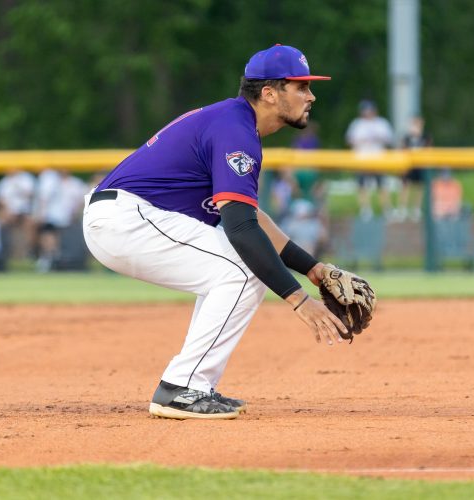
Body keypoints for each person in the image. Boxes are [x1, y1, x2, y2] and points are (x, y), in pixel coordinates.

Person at [83, 44, 352, 420]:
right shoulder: (235, 130)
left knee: (235, 271)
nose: (311, 96)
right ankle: (180, 388)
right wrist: (299, 300)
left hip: (130, 217)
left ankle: (191, 385)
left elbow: (250, 217)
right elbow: (240, 229)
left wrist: (313, 269)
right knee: (242, 271)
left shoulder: (236, 123)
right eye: (301, 87)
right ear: (270, 93)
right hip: (126, 219)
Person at [345, 99, 395, 220]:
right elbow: (349, 140)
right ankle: (365, 209)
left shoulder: (381, 123)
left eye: (369, 110)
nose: (368, 113)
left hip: (378, 159)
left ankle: (386, 208)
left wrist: (377, 137)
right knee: (362, 185)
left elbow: (390, 139)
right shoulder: (357, 124)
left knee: (382, 184)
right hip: (362, 159)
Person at [398, 116, 431, 222]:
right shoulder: (407, 138)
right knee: (405, 186)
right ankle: (402, 209)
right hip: (408, 165)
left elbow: (429, 150)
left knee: (419, 187)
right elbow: (402, 150)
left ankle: (416, 209)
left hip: (420, 165)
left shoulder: (426, 137)